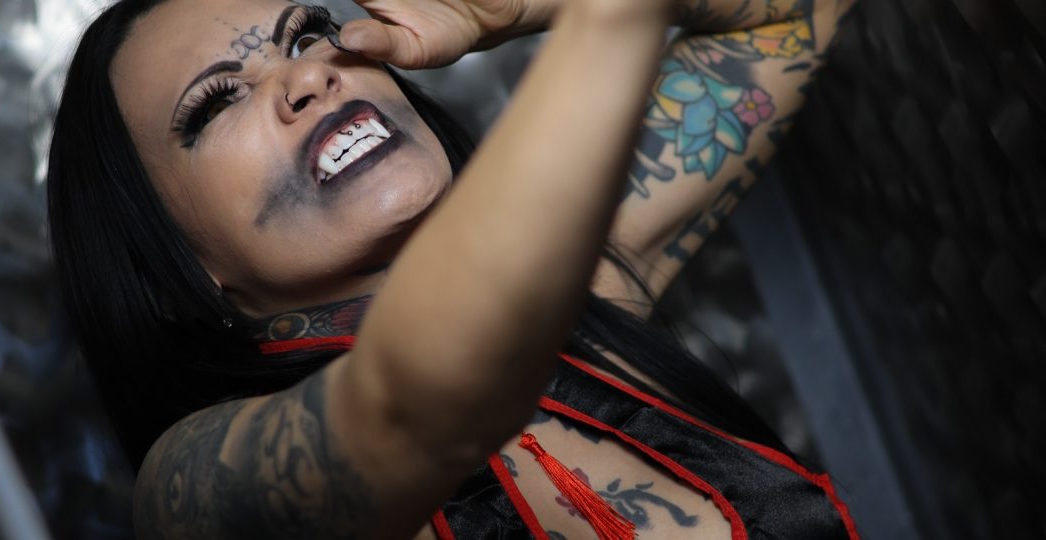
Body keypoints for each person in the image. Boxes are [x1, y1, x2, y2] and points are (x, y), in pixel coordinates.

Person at [46, 0, 858, 537]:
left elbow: (794, 14)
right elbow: (418, 405)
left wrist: (530, 9)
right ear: (171, 266)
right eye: (218, 101)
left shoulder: (575, 288)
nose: (308, 75)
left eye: (308, 35)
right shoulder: (189, 490)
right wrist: (608, 16)